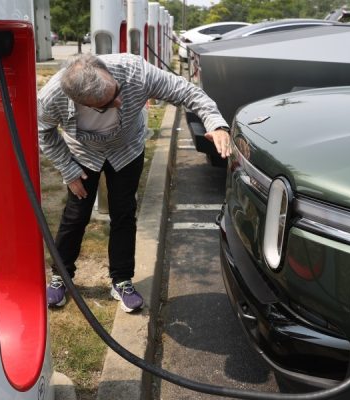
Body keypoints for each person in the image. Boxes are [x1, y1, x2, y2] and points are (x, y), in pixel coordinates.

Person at [38, 53, 231, 312]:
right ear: (80, 101)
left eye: (116, 91)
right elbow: (43, 132)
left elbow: (187, 92)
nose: (119, 101)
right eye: (107, 104)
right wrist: (68, 170)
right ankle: (61, 275)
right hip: (83, 154)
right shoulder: (53, 96)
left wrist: (216, 124)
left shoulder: (136, 72)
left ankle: (122, 279)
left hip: (126, 149)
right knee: (76, 214)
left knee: (124, 211)